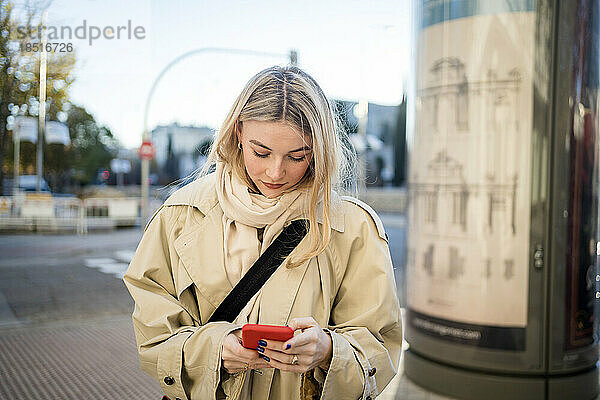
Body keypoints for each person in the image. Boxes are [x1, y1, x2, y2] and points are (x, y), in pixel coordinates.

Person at [124, 65, 402, 400]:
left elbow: (380, 349)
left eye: (298, 156)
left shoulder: (353, 227)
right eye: (261, 152)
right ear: (238, 131)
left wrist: (329, 351)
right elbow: (154, 337)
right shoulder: (181, 214)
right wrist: (214, 352)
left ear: (320, 150)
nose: (275, 172)